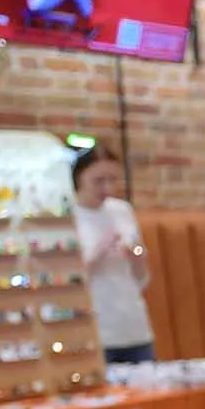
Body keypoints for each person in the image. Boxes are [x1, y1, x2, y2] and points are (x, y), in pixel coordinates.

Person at [70, 145, 155, 364]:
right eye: (98, 180)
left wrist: (137, 255)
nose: (107, 188)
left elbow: (142, 278)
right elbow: (67, 283)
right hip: (94, 329)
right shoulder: (69, 217)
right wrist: (97, 253)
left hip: (133, 324)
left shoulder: (122, 210)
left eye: (113, 179)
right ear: (79, 177)